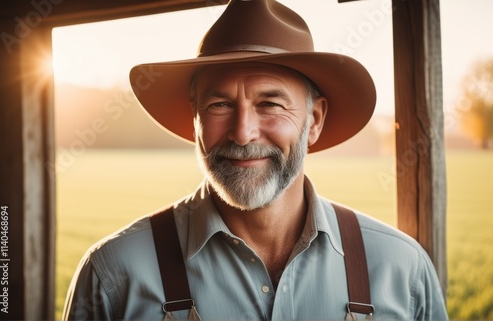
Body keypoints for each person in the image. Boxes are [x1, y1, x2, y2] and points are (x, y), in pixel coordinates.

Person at [63, 0, 448, 320]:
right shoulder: (113, 273)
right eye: (219, 104)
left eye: (270, 104)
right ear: (194, 117)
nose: (243, 132)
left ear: (313, 121)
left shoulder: (402, 268)